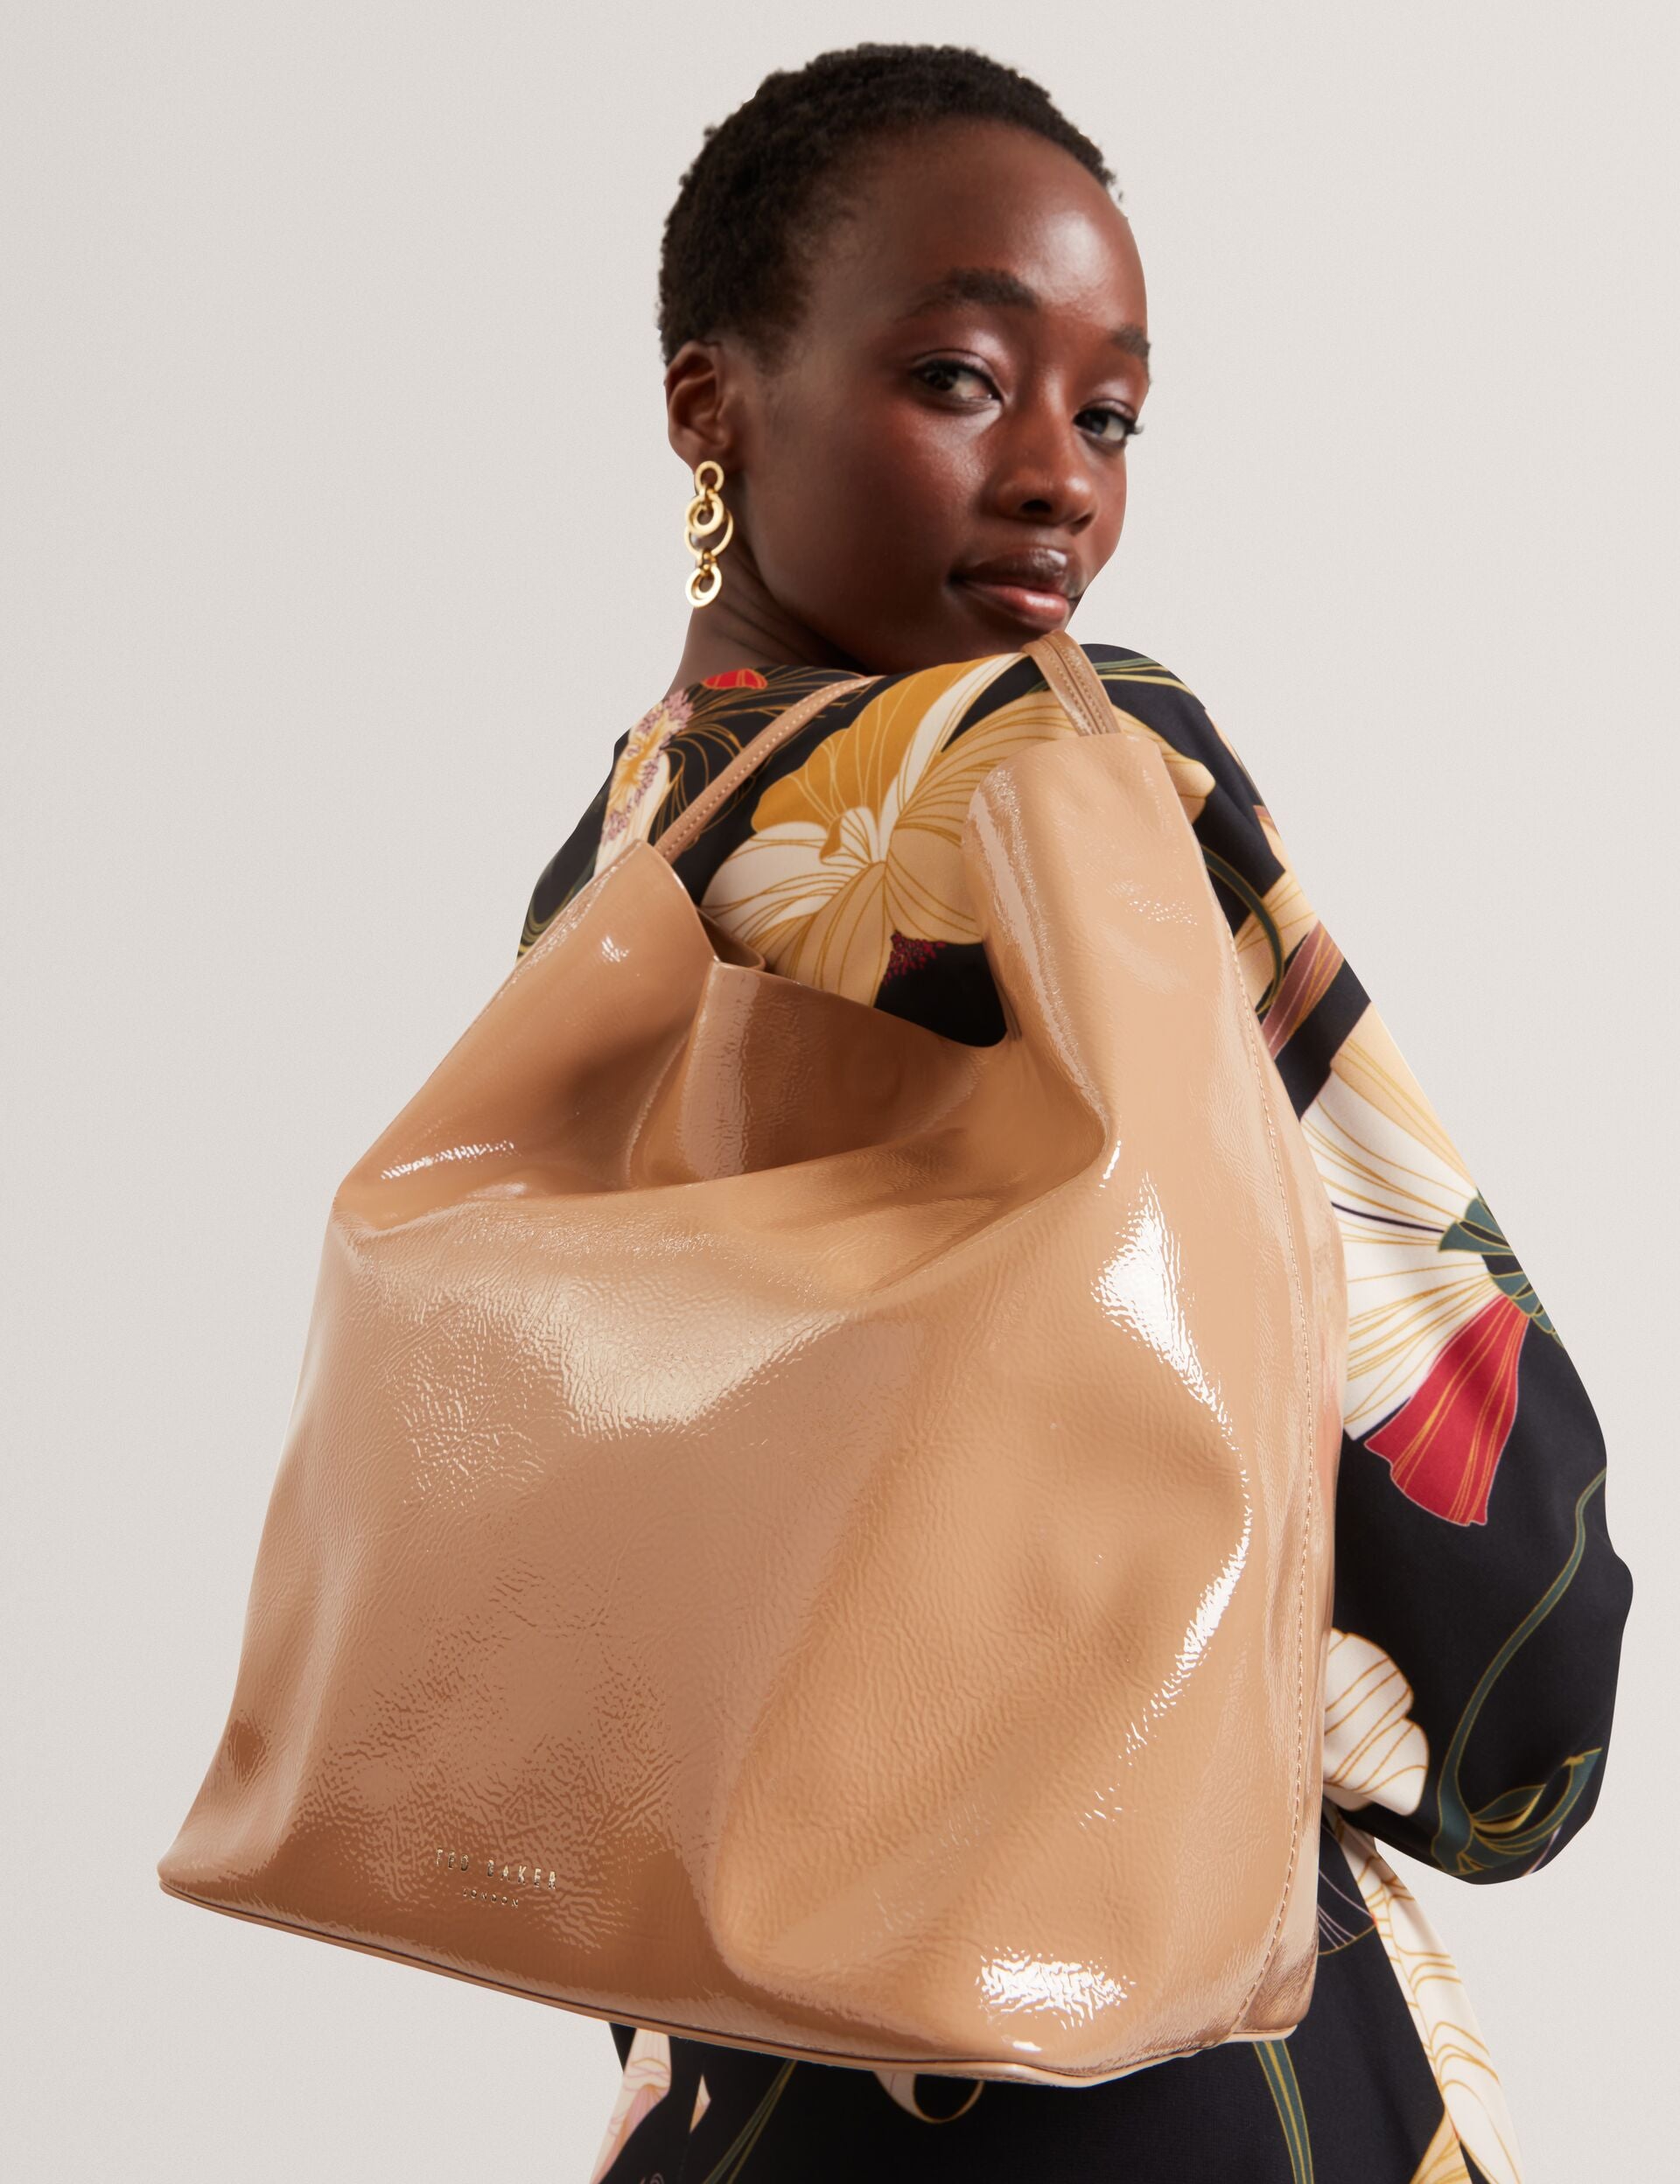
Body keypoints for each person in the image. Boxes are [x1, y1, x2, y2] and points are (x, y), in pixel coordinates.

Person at [518, 43, 1631, 2184]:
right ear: (711, 404)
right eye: (963, 380)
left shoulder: (606, 879)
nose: (1059, 480)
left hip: (748, 2067)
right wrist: (1512, 1729)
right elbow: (1471, 1546)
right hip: (1142, 2059)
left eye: (1108, 415)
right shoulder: (1066, 780)